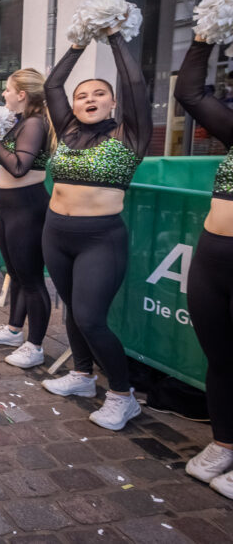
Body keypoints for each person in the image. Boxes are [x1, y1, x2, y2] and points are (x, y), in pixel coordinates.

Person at [39, 27, 151, 432]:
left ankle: (123, 396)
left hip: (101, 238)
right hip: (56, 232)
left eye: (99, 94)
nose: (89, 99)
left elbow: (136, 82)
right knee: (72, 308)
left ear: (114, 102)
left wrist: (116, 38)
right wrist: (78, 43)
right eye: (82, 95)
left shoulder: (130, 134)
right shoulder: (67, 130)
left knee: (91, 318)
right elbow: (52, 83)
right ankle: (83, 376)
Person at [173, 35, 233, 498]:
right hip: (213, 256)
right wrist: (203, 38)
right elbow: (190, 93)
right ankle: (223, 443)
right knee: (220, 357)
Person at [0, 69, 54, 367]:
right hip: (10, 209)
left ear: (22, 94)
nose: (4, 95)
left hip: (28, 209)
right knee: (17, 273)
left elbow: (19, 167)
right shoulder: (22, 122)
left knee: (32, 279)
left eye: (8, 90)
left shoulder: (35, 123)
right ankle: (13, 330)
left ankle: (35, 346)